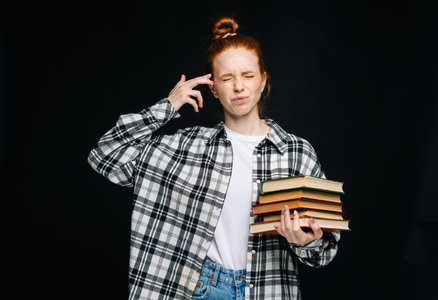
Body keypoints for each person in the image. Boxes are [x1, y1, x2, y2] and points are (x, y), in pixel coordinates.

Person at [88, 16, 340, 300]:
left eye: (247, 75)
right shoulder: (185, 146)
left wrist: (305, 240)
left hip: (268, 290)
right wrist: (167, 106)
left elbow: (324, 254)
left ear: (263, 81)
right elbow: (105, 155)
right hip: (201, 289)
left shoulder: (296, 152)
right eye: (227, 78)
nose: (239, 87)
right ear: (214, 89)